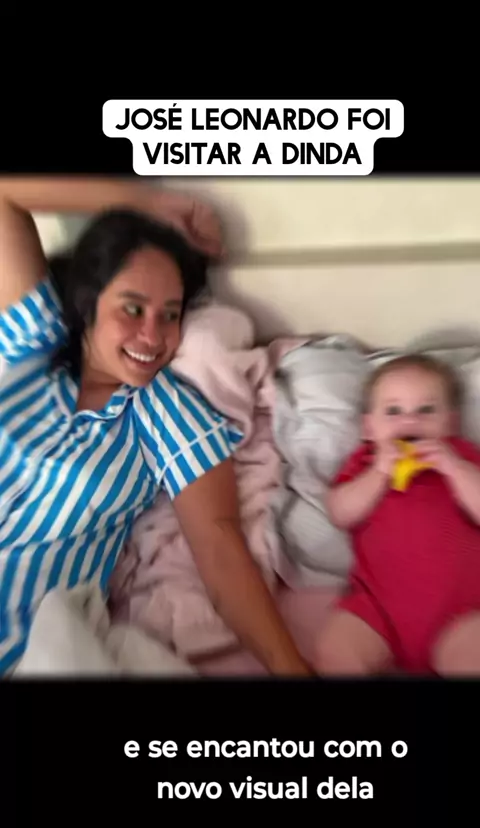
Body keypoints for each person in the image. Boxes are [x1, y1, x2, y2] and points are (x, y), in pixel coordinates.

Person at [0, 177, 310, 676]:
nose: (153, 335)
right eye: (132, 308)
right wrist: (148, 203)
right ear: (87, 303)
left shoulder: (161, 411)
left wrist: (291, 669)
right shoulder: (28, 346)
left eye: (170, 314)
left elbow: (219, 547)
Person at [315, 354, 480, 675]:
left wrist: (454, 468)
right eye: (393, 411)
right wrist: (378, 473)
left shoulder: (462, 457)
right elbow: (339, 512)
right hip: (377, 611)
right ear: (369, 427)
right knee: (336, 654)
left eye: (427, 410)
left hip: (461, 613)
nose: (410, 422)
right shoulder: (365, 462)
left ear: (452, 422)